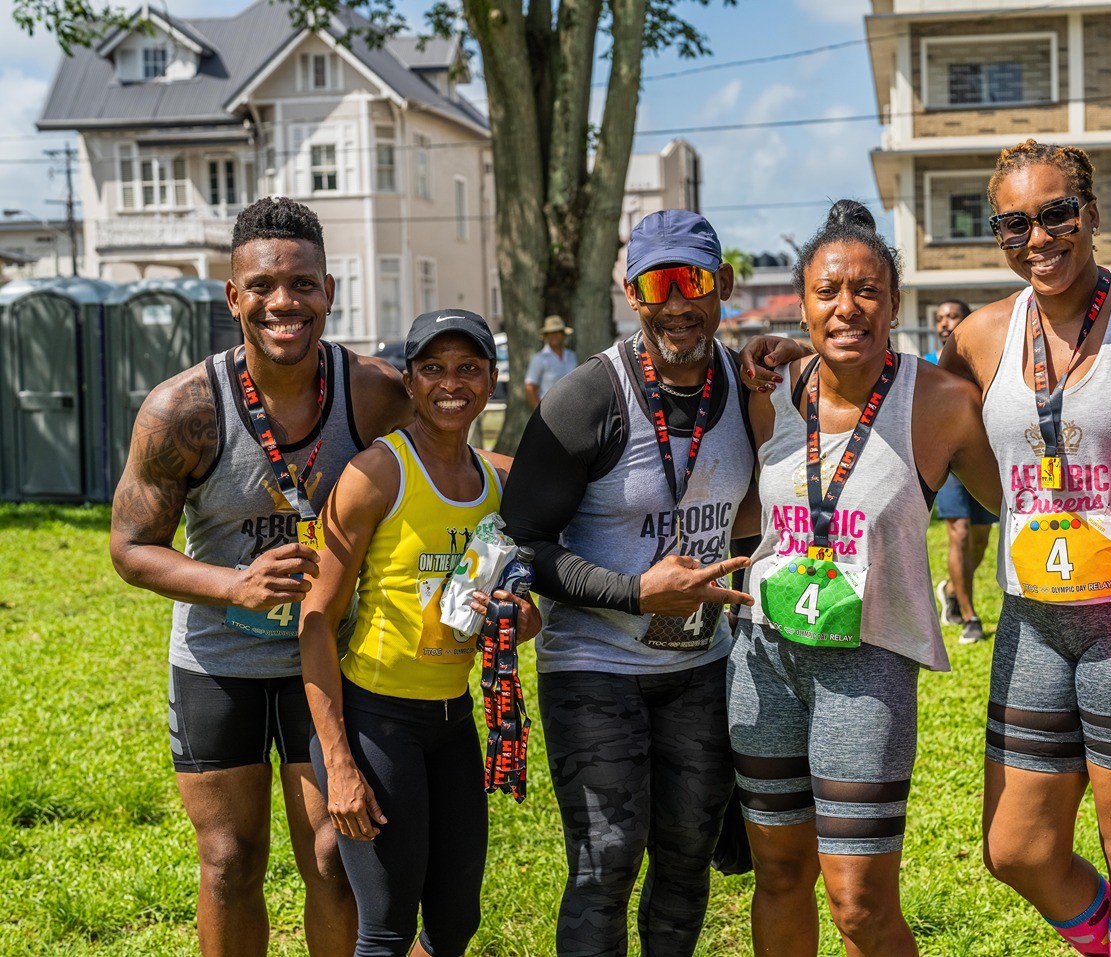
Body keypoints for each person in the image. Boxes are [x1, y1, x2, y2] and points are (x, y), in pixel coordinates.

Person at [739, 140, 1111, 955]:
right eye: (1014, 222)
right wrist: (799, 351)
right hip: (1032, 620)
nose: (1037, 236)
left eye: (1056, 214)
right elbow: (892, 408)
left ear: (1090, 215)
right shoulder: (977, 336)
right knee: (1017, 849)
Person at [109, 196, 411, 956]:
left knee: (334, 854)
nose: (285, 302)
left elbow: (444, 479)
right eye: (264, 286)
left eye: (303, 284)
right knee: (229, 860)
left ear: (329, 291)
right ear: (233, 296)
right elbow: (130, 548)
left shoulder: (374, 393)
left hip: (330, 659)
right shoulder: (182, 409)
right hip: (219, 661)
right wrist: (233, 585)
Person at [731, 200, 999, 957]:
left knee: (859, 903)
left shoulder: (942, 404)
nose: (847, 306)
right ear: (804, 305)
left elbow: (1015, 501)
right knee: (779, 872)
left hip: (868, 664)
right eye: (827, 291)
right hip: (763, 656)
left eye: (867, 290)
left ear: (894, 302)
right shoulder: (771, 390)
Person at [499, 208, 757, 957]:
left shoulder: (748, 383)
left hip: (700, 666)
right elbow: (521, 543)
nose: (676, 302)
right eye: (656, 284)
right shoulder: (587, 398)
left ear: (724, 285)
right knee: (605, 863)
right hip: (594, 665)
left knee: (687, 857)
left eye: (692, 281)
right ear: (630, 293)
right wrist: (636, 592)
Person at [298, 309, 540, 957]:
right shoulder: (377, 474)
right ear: (409, 381)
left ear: (491, 380)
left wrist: (518, 619)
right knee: (385, 929)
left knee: (455, 923)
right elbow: (315, 621)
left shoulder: (499, 483)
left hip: (452, 721)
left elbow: (525, 607)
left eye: (468, 368)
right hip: (376, 722)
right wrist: (339, 765)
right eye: (433, 368)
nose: (450, 383)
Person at [925, 298, 999, 643]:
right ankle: (970, 617)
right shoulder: (927, 365)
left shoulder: (984, 362)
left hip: (982, 459)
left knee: (981, 539)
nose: (945, 323)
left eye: (953, 316)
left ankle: (952, 591)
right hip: (947, 461)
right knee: (960, 533)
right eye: (940, 317)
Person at [524, 314, 578, 407]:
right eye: (551, 333)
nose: (554, 335)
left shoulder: (571, 356)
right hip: (549, 409)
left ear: (563, 335)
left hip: (572, 407)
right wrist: (539, 412)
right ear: (546, 336)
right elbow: (530, 387)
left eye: (557, 332)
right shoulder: (539, 358)